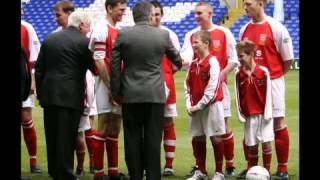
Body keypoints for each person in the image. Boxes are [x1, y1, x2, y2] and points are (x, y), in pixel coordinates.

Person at [110, 2, 182, 180]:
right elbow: (177, 60)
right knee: (153, 138)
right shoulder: (162, 34)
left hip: (131, 94)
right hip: (154, 94)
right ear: (150, 15)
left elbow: (114, 65)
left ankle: (135, 175)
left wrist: (117, 90)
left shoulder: (123, 34)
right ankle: (153, 176)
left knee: (132, 138)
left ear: (134, 16)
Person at [180, 2, 238, 177]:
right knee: (200, 132)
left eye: (200, 13)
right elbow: (187, 60)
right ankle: (202, 168)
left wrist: (220, 76)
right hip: (199, 86)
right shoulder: (191, 35)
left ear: (210, 13)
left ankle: (228, 164)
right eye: (195, 13)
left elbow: (233, 60)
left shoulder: (224, 33)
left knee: (222, 128)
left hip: (218, 89)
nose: (196, 16)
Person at [35, 11, 95, 180]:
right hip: (71, 96)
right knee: (68, 137)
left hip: (50, 95)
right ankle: (66, 173)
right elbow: (94, 68)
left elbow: (39, 70)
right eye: (88, 27)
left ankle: (54, 171)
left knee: (52, 136)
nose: (88, 30)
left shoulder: (49, 39)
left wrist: (42, 94)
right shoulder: (84, 42)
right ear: (82, 25)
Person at [239, 0, 294, 179]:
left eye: (248, 4)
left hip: (273, 83)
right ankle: (252, 169)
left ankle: (282, 168)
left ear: (260, 3)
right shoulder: (244, 29)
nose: (245, 8)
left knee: (278, 123)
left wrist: (272, 78)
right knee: (250, 126)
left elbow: (288, 60)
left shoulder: (276, 28)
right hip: (250, 84)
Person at [52, 2, 97, 176]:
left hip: (84, 83)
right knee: (73, 129)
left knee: (85, 126)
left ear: (70, 14)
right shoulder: (55, 35)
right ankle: (74, 167)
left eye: (59, 15)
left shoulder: (86, 35)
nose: (56, 19)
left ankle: (89, 165)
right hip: (65, 88)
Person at [88, 0, 128, 179]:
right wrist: (111, 86)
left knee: (115, 127)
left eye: (124, 10)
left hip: (117, 86)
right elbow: (98, 60)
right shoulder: (101, 28)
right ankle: (98, 173)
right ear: (110, 8)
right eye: (120, 10)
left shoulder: (118, 30)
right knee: (103, 125)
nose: (123, 13)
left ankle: (112, 171)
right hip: (106, 85)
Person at [184, 30, 225, 180]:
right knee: (198, 137)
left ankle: (219, 172)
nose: (193, 45)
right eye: (193, 42)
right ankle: (201, 171)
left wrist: (198, 106)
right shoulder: (193, 64)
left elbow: (212, 90)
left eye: (196, 42)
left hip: (211, 107)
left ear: (206, 43)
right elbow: (187, 85)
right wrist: (189, 104)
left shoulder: (213, 62)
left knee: (215, 138)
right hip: (196, 107)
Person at [150, 0, 180, 176]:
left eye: (158, 14)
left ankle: (169, 165)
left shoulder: (170, 34)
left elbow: (177, 62)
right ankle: (150, 164)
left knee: (168, 122)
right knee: (149, 125)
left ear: (162, 15)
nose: (155, 18)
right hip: (147, 85)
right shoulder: (142, 33)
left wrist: (166, 75)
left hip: (166, 84)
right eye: (152, 14)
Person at [234, 40, 274, 176]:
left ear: (251, 54)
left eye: (241, 56)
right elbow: (238, 95)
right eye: (238, 56)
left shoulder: (263, 72)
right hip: (249, 115)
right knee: (252, 145)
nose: (239, 59)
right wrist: (241, 114)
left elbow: (269, 94)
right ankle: (252, 172)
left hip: (264, 115)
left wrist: (268, 113)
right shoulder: (238, 75)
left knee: (266, 143)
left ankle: (266, 171)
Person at [21, 3, 42, 174]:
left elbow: (34, 58)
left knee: (26, 118)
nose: (22, 9)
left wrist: (33, 81)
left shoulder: (27, 28)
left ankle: (33, 162)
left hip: (23, 81)